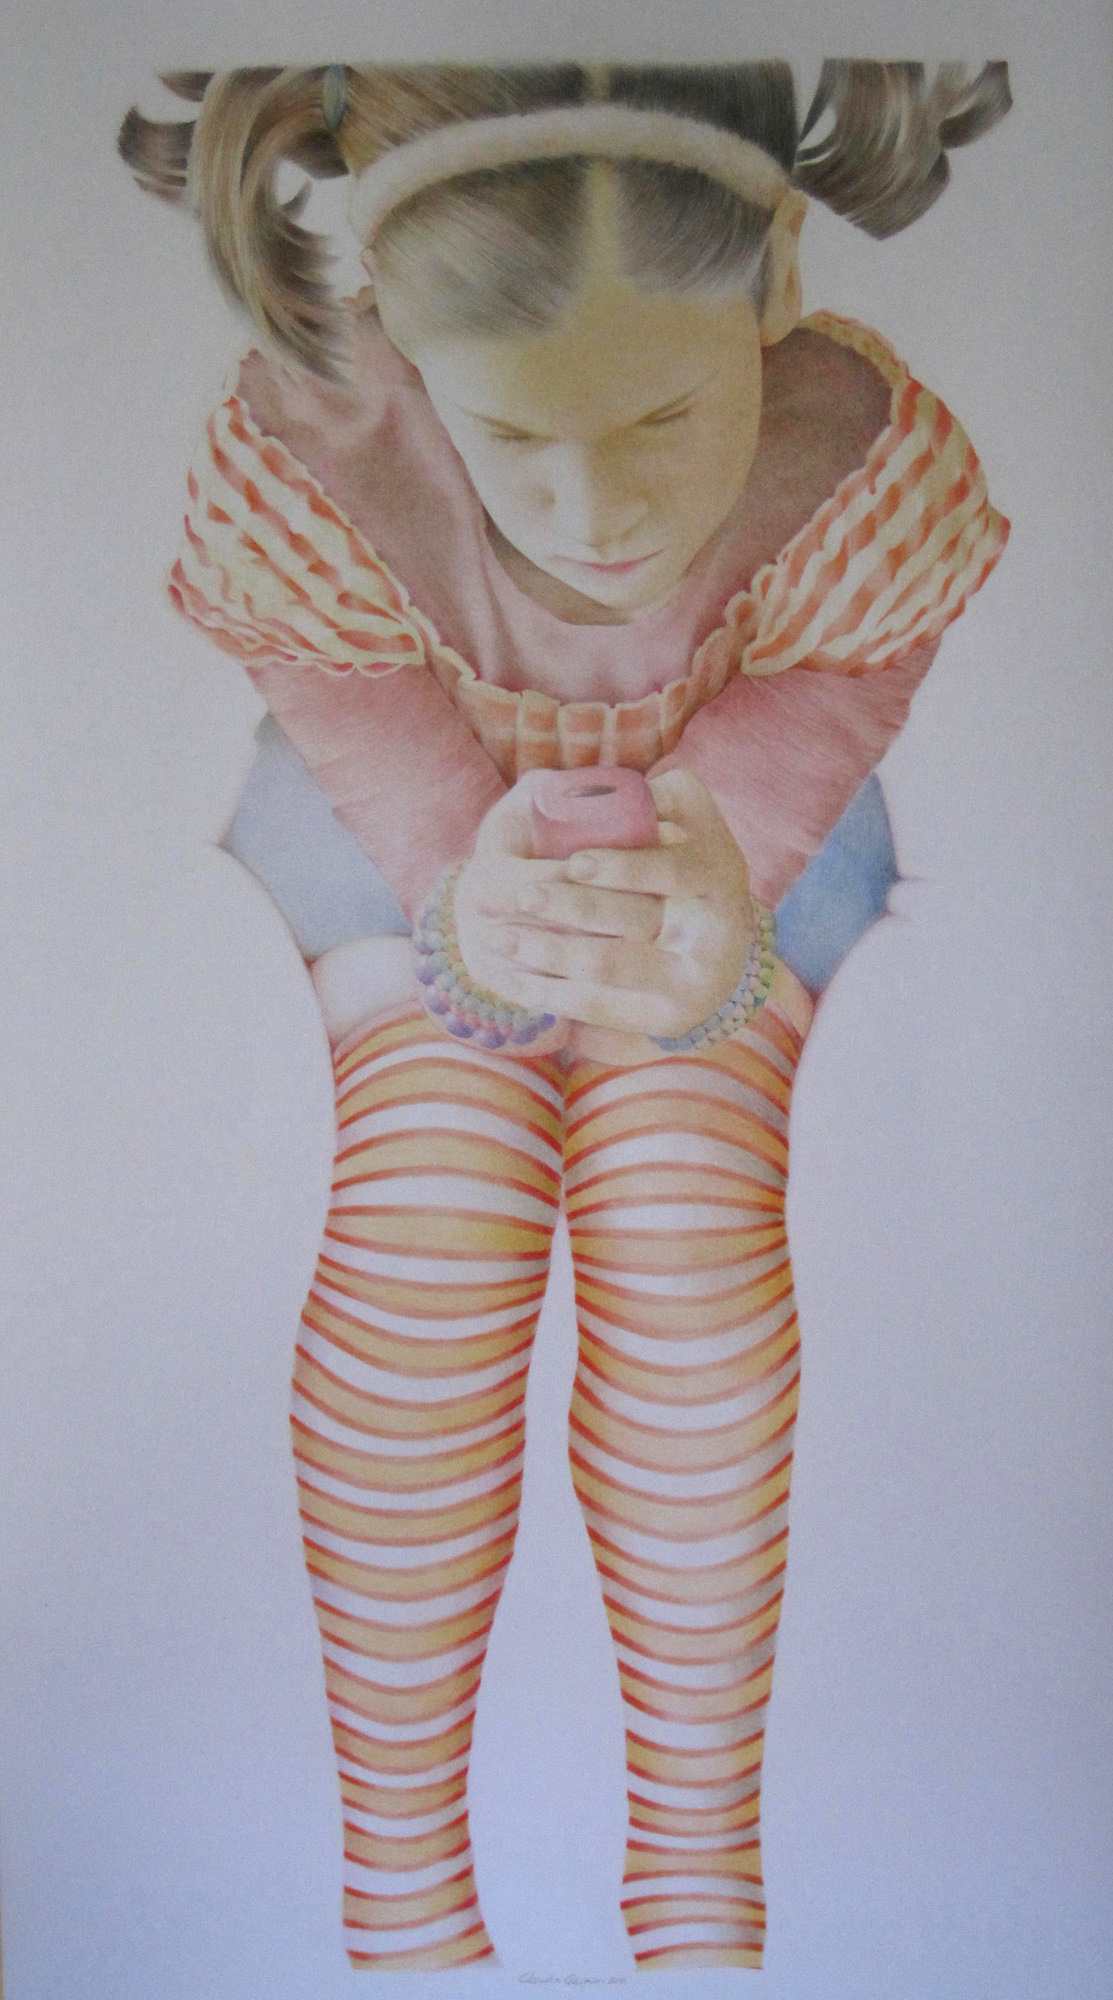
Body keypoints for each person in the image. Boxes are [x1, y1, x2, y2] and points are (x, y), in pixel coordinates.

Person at [119, 59, 1011, 1972]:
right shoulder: (317, 442)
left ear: (773, 280)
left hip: (737, 855)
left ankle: (696, 1854)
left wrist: (710, 885)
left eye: (666, 415)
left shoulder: (855, 451)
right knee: (426, 1242)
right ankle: (400, 1873)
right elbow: (342, 699)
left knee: (690, 1244)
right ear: (396, 332)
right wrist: (471, 884)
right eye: (511, 435)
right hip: (400, 848)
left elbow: (840, 677)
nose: (592, 510)